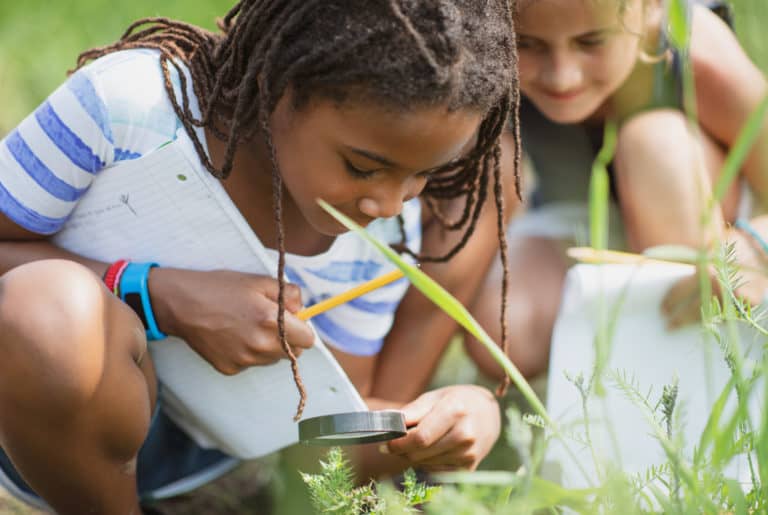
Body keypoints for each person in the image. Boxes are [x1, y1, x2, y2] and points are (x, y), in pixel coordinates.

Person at [0, 1, 522, 513]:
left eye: (422, 175)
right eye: (362, 167)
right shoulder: (130, 108)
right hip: (36, 418)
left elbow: (326, 425)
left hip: (197, 464)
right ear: (278, 84)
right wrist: (158, 295)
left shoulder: (383, 237)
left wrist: (449, 418)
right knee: (51, 312)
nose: (387, 203)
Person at [464, 0, 768, 381]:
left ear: (652, 9)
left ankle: (693, 375)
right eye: (527, 44)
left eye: (591, 42)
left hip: (704, 224)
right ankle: (599, 383)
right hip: (579, 215)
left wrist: (755, 244)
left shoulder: (699, 55)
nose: (563, 77)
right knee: (504, 329)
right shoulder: (486, 56)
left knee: (653, 143)